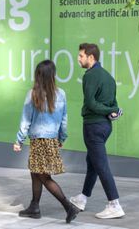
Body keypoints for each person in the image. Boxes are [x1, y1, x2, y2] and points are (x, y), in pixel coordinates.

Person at [14, 60, 79, 223]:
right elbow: (64, 120)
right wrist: (62, 137)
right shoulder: (61, 93)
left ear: (38, 76)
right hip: (51, 140)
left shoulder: (32, 94)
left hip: (38, 140)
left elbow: (25, 120)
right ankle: (34, 207)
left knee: (44, 176)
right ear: (53, 76)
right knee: (35, 173)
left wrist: (19, 140)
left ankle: (68, 207)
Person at [69, 43, 125, 219]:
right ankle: (83, 198)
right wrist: (112, 111)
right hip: (105, 127)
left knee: (100, 165)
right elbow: (114, 105)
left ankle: (114, 204)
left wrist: (109, 111)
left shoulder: (90, 76)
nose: (78, 59)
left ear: (90, 57)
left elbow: (91, 104)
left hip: (93, 126)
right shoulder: (108, 77)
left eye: (81, 56)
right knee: (92, 162)